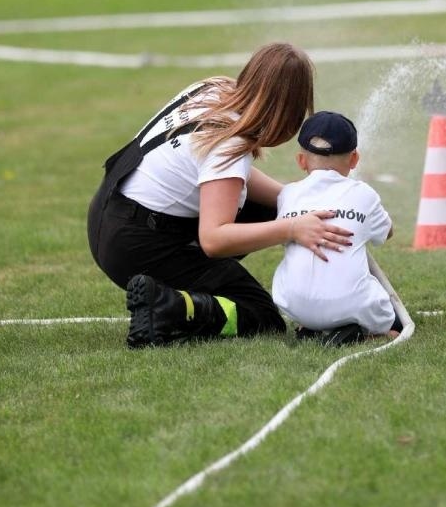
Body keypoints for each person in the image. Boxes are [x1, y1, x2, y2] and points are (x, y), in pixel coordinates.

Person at [87, 43, 354, 348]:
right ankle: (168, 307)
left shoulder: (214, 88)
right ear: (289, 111)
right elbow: (214, 240)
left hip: (110, 215)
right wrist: (293, 228)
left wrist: (295, 198)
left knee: (280, 209)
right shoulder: (229, 144)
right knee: (261, 315)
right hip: (135, 245)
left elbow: (225, 178)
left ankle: (324, 289)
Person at [271, 111, 403, 346]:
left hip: (292, 305)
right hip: (350, 304)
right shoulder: (363, 194)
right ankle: (366, 334)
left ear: (301, 161)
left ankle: (310, 326)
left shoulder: (287, 194)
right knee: (393, 322)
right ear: (354, 159)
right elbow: (387, 233)